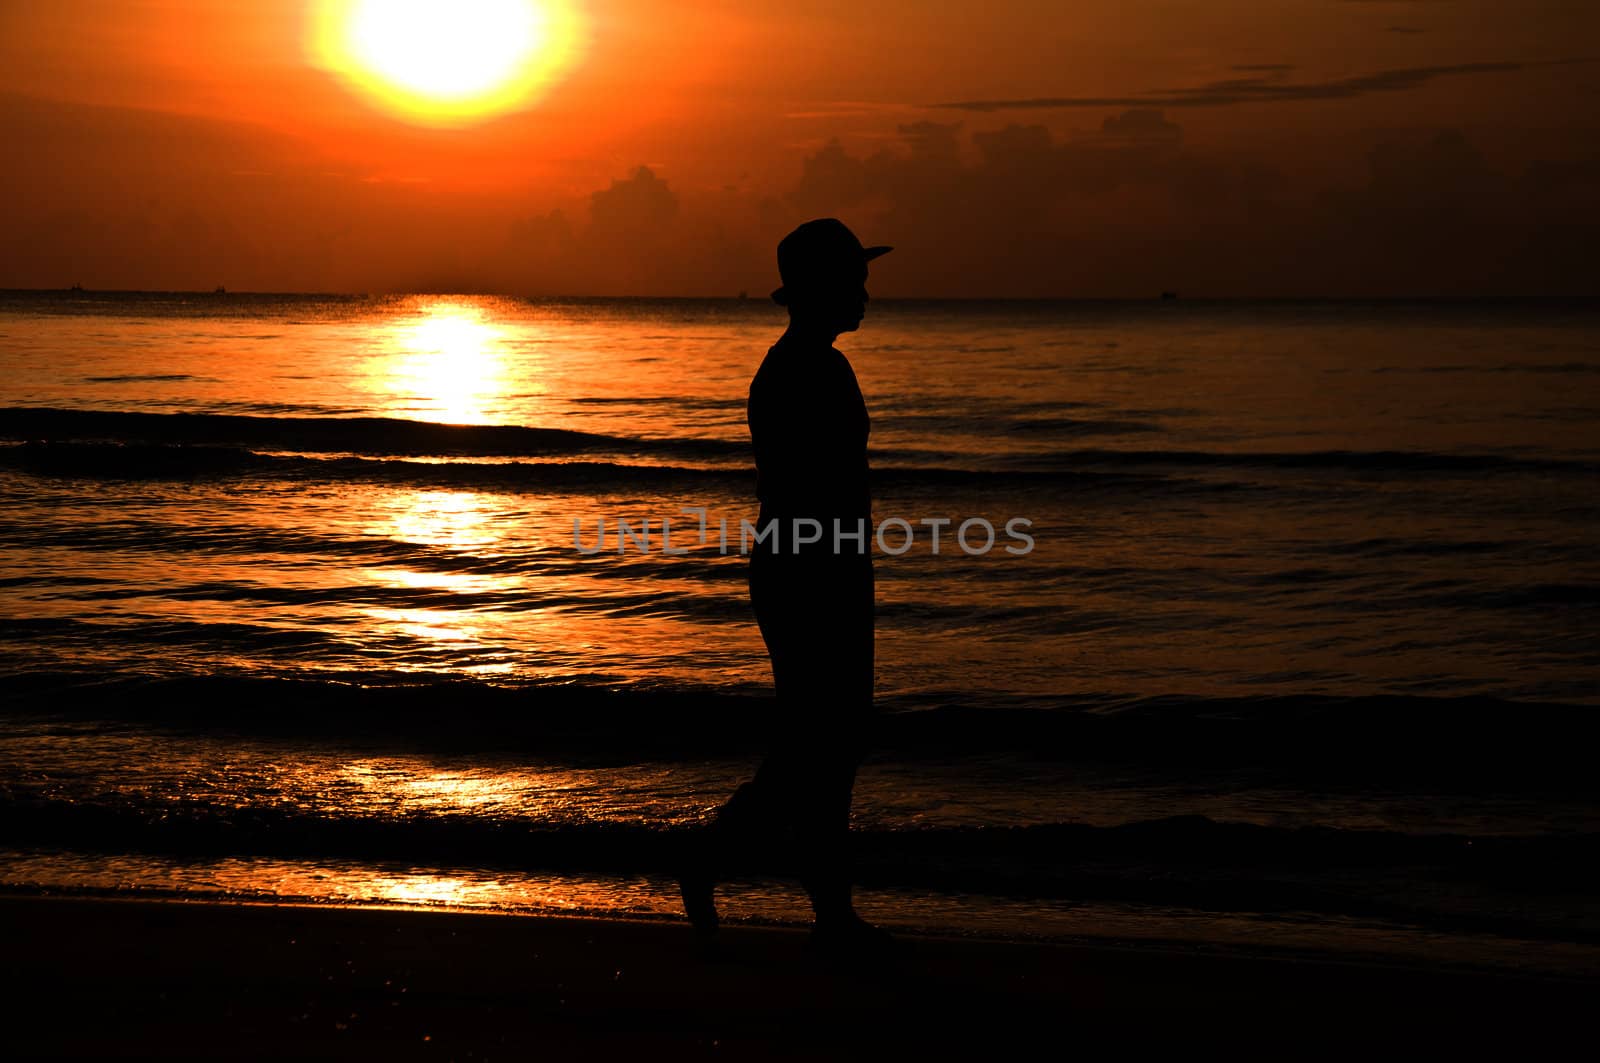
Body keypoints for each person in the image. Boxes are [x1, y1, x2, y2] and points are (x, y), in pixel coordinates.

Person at [678, 218, 893, 953]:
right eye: (854, 281)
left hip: (811, 562)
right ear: (823, 290)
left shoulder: (802, 364)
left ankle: (816, 902)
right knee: (824, 740)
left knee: (823, 739)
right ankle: (738, 867)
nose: (865, 294)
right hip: (815, 570)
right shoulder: (808, 370)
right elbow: (814, 485)